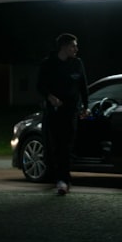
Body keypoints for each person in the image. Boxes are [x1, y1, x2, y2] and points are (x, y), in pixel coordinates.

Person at [36, 33, 89, 195]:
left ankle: (64, 180)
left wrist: (85, 106)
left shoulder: (77, 64)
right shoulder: (48, 64)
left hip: (71, 111)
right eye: (73, 46)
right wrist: (50, 97)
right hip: (54, 112)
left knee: (67, 146)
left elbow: (83, 86)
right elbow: (40, 85)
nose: (76, 49)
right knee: (55, 145)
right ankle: (60, 178)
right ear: (64, 47)